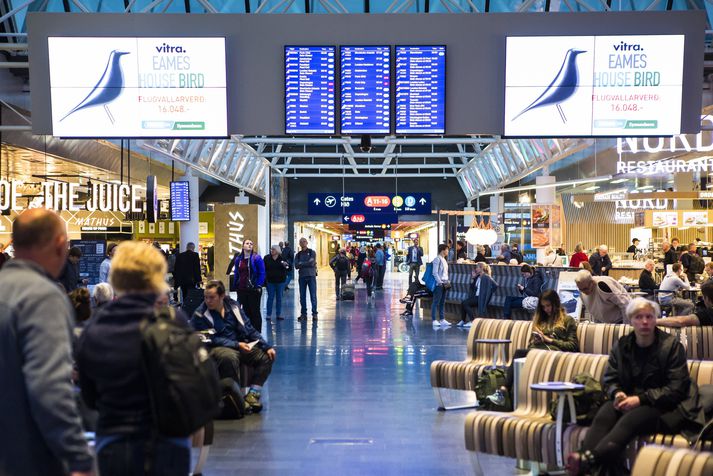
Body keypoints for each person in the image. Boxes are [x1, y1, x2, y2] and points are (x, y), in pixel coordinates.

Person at [76, 241, 190, 476]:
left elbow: (88, 395)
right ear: (157, 277)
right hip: (169, 441)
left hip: (114, 440)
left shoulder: (98, 325)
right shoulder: (172, 322)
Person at [0, 209, 94, 476]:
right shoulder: (43, 297)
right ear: (60, 245)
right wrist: (79, 457)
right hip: (29, 458)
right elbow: (49, 387)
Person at [567, 298, 704, 476]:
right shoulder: (623, 345)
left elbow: (676, 388)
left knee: (631, 418)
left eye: (649, 316)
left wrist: (640, 399)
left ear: (656, 319)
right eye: (639, 317)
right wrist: (616, 393)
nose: (644, 321)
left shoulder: (671, 346)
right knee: (605, 414)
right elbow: (610, 378)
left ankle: (588, 460)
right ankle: (584, 461)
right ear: (631, 320)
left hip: (665, 407)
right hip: (628, 401)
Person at [191, 280, 275, 413]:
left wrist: (266, 346)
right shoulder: (200, 315)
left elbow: (249, 328)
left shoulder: (234, 307)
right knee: (229, 357)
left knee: (266, 356)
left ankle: (253, 395)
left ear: (222, 296)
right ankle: (237, 399)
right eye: (206, 297)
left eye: (212, 297)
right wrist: (236, 344)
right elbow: (208, 339)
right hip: (216, 348)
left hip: (240, 344)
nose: (208, 301)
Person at [487, 290, 579, 407]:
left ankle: (503, 392)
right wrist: (535, 340)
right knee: (521, 356)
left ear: (556, 303)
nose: (546, 309)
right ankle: (506, 393)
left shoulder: (567, 320)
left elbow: (573, 346)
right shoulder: (541, 320)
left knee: (519, 353)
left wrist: (550, 340)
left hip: (553, 354)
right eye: (543, 307)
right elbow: (530, 344)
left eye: (548, 306)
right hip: (537, 351)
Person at [230, 239, 266, 332]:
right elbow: (237, 273)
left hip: (254, 289)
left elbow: (262, 273)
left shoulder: (256, 258)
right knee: (245, 312)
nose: (249, 245)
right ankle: (249, 332)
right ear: (243, 246)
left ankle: (257, 333)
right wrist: (235, 285)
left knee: (255, 312)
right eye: (247, 243)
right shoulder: (239, 259)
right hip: (242, 289)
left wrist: (258, 285)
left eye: (251, 243)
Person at [458, 262, 498, 327]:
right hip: (476, 296)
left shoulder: (486, 276)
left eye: (477, 267)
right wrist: (473, 278)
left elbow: (495, 285)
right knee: (463, 303)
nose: (476, 269)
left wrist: (488, 294)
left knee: (465, 303)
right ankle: (463, 320)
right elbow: (472, 287)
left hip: (480, 297)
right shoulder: (478, 277)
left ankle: (472, 321)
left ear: (481, 268)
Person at [295, 237, 318, 322]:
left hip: (311, 276)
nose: (302, 243)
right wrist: (306, 263)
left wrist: (302, 263)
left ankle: (314, 314)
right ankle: (303, 314)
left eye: (304, 241)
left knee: (313, 296)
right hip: (302, 277)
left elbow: (312, 262)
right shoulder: (298, 255)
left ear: (307, 242)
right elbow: (296, 266)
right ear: (299, 244)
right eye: (301, 242)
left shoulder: (312, 252)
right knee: (302, 296)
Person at [264, 244, 288, 321]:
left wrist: (286, 265)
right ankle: (268, 314)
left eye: (273, 249)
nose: (272, 251)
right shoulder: (267, 258)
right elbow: (263, 268)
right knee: (270, 297)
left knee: (279, 298)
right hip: (270, 281)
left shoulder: (282, 258)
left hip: (280, 281)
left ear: (277, 251)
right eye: (271, 249)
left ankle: (278, 314)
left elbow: (288, 267)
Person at [431, 244, 450, 328]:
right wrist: (440, 282)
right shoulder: (437, 259)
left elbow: (445, 272)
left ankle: (442, 319)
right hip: (439, 284)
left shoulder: (444, 260)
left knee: (442, 302)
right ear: (443, 250)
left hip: (445, 283)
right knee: (436, 301)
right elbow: (434, 272)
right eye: (447, 250)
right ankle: (434, 319)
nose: (448, 251)